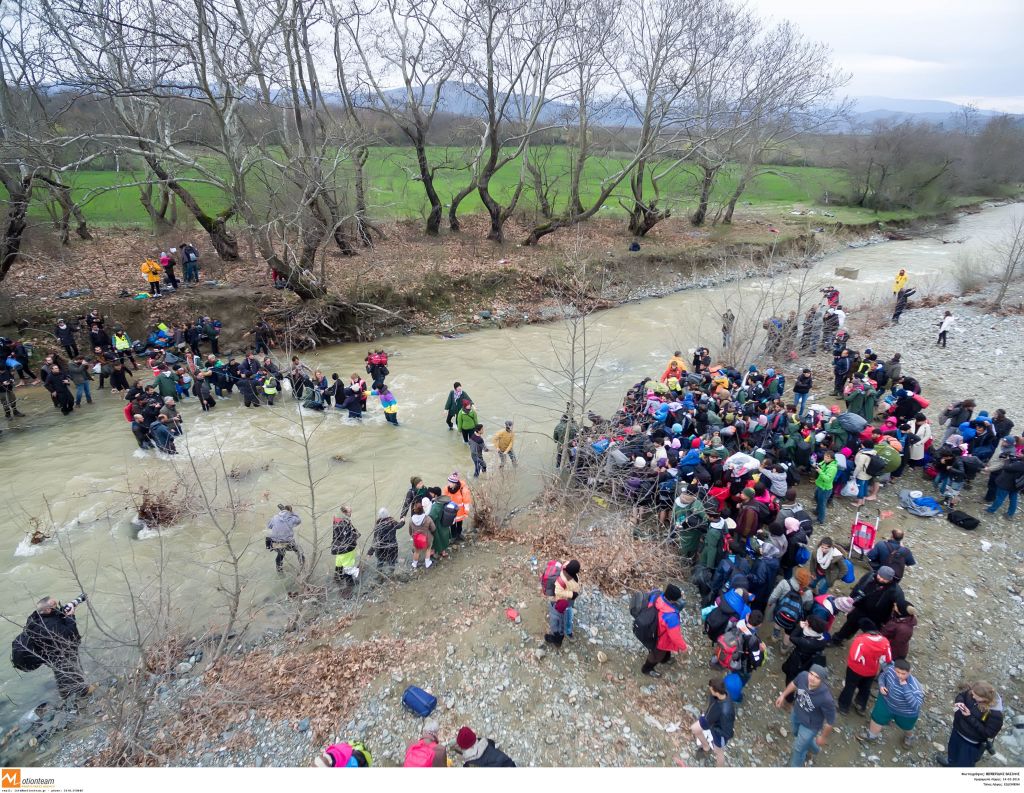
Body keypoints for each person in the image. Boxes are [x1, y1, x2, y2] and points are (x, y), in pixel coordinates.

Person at [22, 596, 92, 699]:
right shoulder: (51, 625)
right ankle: (83, 693)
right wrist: (70, 616)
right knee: (74, 671)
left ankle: (65, 695)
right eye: (55, 605)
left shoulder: (35, 618)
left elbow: (53, 621)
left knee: (60, 675)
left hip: (49, 655)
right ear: (48, 609)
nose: (57, 606)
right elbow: (71, 635)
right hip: (62, 653)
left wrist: (62, 612)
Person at [775, 664, 836, 767]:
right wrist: (783, 695)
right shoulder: (803, 676)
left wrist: (823, 737)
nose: (812, 678)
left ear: (822, 680)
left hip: (810, 726)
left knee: (798, 749)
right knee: (795, 732)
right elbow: (794, 684)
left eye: (817, 677)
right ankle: (814, 748)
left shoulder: (826, 698)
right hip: (796, 714)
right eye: (811, 674)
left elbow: (830, 722)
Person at [858, 659, 924, 749]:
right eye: (897, 672)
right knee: (877, 718)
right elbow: (882, 677)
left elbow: (916, 705)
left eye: (903, 673)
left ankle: (909, 736)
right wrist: (881, 686)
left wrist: (905, 687)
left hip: (905, 712)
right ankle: (872, 736)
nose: (899, 675)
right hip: (886, 702)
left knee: (907, 726)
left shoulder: (916, 687)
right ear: (894, 668)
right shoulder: (890, 670)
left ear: (909, 672)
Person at [935, 681, 1004, 767]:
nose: (972, 695)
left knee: (964, 764)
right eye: (972, 693)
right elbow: (961, 695)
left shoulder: (995, 715)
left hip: (970, 743)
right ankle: (951, 763)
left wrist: (969, 717)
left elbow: (989, 733)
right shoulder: (973, 692)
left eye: (975, 696)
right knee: (952, 752)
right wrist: (960, 702)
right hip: (957, 731)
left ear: (984, 698)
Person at [831, 566, 906, 645]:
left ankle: (867, 650)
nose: (881, 579)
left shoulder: (896, 591)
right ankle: (837, 640)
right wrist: (852, 598)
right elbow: (858, 586)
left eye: (885, 579)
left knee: (872, 636)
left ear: (890, 579)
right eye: (880, 576)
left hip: (877, 617)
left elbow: (897, 608)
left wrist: (887, 622)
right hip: (860, 608)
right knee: (849, 626)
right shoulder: (869, 576)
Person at [836, 619, 892, 715]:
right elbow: (888, 658)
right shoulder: (885, 641)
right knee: (866, 687)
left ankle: (843, 707)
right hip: (872, 670)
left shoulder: (860, 640)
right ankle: (861, 706)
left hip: (856, 669)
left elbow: (855, 657)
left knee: (850, 686)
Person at [641, 584, 688, 678]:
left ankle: (665, 659)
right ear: (671, 600)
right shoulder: (671, 617)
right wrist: (684, 647)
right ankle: (646, 669)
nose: (679, 601)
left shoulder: (656, 595)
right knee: (656, 655)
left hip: (652, 629)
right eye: (677, 599)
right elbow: (675, 637)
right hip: (660, 639)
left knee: (664, 651)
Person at [690, 677, 735, 767]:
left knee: (718, 752)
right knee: (694, 729)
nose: (709, 690)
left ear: (716, 691)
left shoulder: (726, 711)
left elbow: (728, 733)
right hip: (709, 719)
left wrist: (713, 728)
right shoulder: (718, 695)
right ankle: (706, 747)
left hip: (718, 731)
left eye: (710, 689)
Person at [266, 504, 305, 574]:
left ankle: (279, 571)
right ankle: (303, 568)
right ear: (290, 511)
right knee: (299, 551)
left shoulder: (275, 517)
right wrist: (292, 513)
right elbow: (299, 521)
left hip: (274, 542)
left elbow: (269, 526)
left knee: (281, 554)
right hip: (287, 542)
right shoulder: (291, 518)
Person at [985, 452, 1024, 519]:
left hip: (1007, 484)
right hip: (1017, 485)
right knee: (1013, 499)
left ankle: (991, 510)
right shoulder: (1019, 463)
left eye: (1022, 453)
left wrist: (1007, 460)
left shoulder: (1020, 465)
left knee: (1000, 497)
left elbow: (1006, 467)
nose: (1020, 453)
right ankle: (1010, 514)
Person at [331, 506, 359, 592]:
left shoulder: (336, 519)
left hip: (337, 548)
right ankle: (350, 585)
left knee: (339, 563)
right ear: (345, 513)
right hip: (346, 549)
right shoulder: (343, 524)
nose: (351, 513)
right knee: (348, 567)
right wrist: (355, 536)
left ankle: (337, 578)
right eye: (350, 512)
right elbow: (346, 539)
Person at [370, 507, 403, 572]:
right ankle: (391, 573)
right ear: (388, 514)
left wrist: (370, 552)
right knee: (392, 560)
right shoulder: (393, 522)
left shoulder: (378, 525)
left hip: (381, 548)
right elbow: (400, 525)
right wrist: (403, 521)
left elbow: (375, 540)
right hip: (392, 546)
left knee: (380, 561)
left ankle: (379, 574)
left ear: (379, 516)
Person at [812, 451, 837, 526]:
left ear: (832, 459)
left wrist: (820, 471)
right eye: (825, 456)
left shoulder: (833, 468)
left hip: (825, 488)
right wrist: (816, 465)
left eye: (827, 457)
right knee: (817, 498)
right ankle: (817, 511)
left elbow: (827, 479)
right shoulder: (825, 462)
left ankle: (820, 520)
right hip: (820, 485)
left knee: (822, 504)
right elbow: (820, 465)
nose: (825, 458)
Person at [446, 473, 472, 543]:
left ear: (454, 483)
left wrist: (466, 513)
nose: (448, 484)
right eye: (448, 482)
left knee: (459, 523)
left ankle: (459, 534)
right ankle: (454, 536)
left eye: (450, 482)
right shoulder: (447, 488)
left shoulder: (463, 490)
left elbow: (466, 503)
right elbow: (444, 499)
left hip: (460, 512)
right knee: (452, 524)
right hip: (451, 512)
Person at [409, 500, 435, 570]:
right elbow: (433, 528)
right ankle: (427, 563)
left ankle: (414, 564)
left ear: (415, 510)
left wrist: (412, 536)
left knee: (416, 551)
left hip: (416, 538)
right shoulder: (427, 518)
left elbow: (410, 531)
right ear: (422, 510)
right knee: (428, 549)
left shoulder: (411, 520)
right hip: (427, 538)